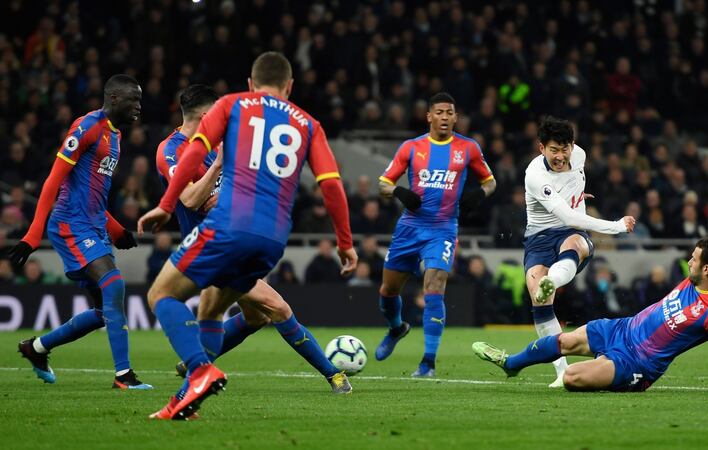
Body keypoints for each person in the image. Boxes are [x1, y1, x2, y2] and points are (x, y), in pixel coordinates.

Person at [138, 52, 357, 420]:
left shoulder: (232, 105)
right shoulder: (308, 123)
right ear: (290, 86)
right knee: (213, 311)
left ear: (251, 84)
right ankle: (185, 399)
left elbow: (196, 152)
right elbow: (331, 185)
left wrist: (164, 203)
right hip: (272, 239)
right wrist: (345, 243)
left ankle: (199, 370)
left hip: (226, 231)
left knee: (160, 294)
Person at [473, 232, 708, 395]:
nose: (688, 263)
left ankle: (606, 370)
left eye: (693, 260)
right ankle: (511, 364)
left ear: (706, 269)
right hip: (623, 329)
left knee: (571, 378)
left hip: (636, 363)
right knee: (564, 342)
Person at [8, 74, 151, 389]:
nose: (139, 107)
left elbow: (95, 194)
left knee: (104, 310)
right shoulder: (86, 127)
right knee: (113, 284)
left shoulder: (115, 136)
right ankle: (124, 376)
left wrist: (116, 230)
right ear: (114, 98)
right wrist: (33, 235)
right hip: (70, 224)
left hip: (93, 225)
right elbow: (54, 180)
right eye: (134, 100)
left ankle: (37, 348)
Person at [373, 92, 496, 377]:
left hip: (443, 228)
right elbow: (382, 183)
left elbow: (490, 182)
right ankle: (396, 328)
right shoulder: (411, 147)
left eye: (449, 112)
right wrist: (399, 191)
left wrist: (479, 194)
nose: (444, 117)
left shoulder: (468, 149)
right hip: (409, 227)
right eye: (438, 112)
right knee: (388, 290)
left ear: (455, 117)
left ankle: (428, 362)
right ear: (429, 116)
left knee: (434, 285)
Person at [519, 115, 635, 387]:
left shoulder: (580, 156)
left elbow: (571, 215)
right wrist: (615, 226)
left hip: (569, 234)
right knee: (539, 301)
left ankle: (553, 280)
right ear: (541, 149)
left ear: (573, 146)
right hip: (538, 237)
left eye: (564, 149)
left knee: (577, 244)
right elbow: (569, 215)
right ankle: (561, 372)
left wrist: (578, 195)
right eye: (553, 150)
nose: (560, 156)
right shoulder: (535, 176)